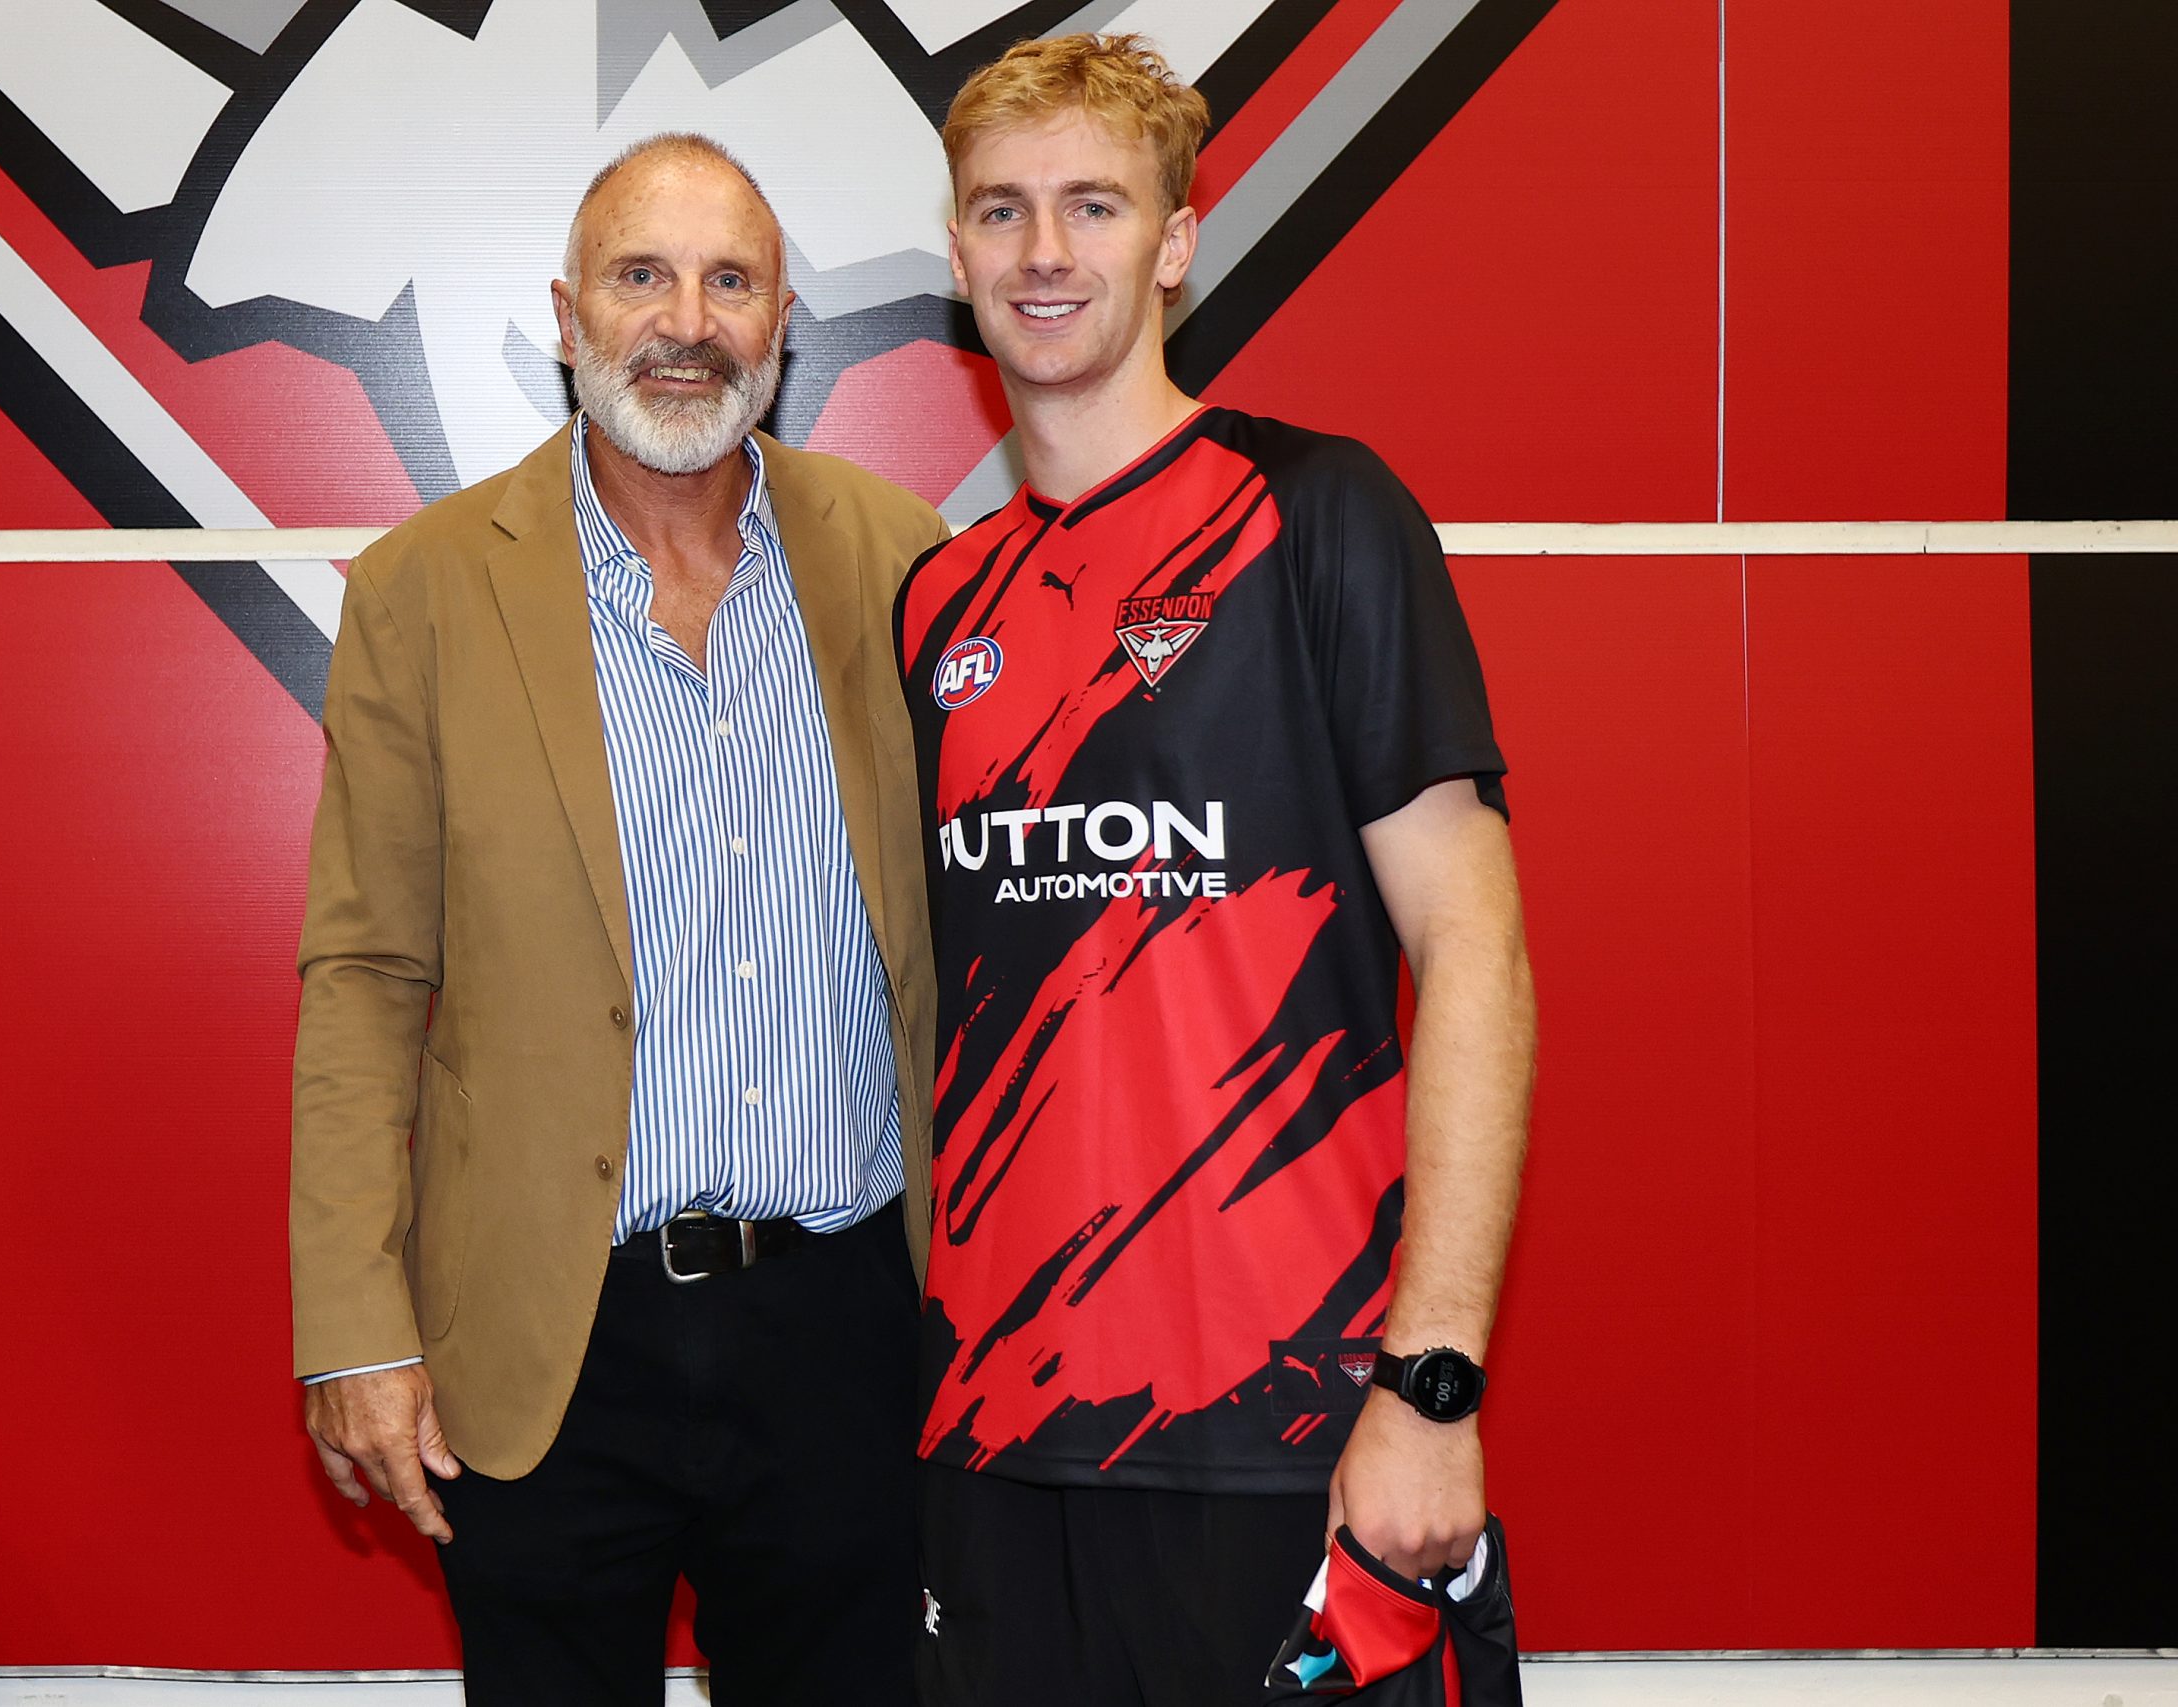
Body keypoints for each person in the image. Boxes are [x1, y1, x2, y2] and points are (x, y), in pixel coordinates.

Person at [897, 36, 1537, 1706]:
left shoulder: (1318, 512)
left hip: (1288, 1430)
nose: (1045, 252)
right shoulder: (939, 603)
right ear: (957, 254)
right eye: (1002, 211)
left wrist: (1432, 1386)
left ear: (1176, 240)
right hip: (995, 1444)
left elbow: (1475, 949)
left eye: (1094, 206)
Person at [288, 132, 946, 1706]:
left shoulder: (905, 559)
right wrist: (354, 1328)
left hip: (848, 1323)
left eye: (731, 282)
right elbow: (365, 974)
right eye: (642, 275)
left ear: (783, 326)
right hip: (548, 1333)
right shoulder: (425, 589)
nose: (686, 322)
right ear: (568, 313)